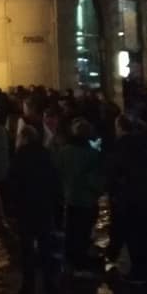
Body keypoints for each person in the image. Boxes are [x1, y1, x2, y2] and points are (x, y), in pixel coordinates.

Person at [9, 125, 60, 294]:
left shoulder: (20, 157)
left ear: (24, 138)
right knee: (45, 248)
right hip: (44, 208)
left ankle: (28, 289)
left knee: (27, 251)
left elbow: (13, 185)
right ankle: (49, 285)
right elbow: (54, 180)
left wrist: (13, 209)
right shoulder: (45, 154)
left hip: (26, 209)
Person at [106, 115, 147, 283]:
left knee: (131, 233)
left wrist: (112, 191)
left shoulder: (120, 147)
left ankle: (137, 270)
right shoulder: (146, 145)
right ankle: (146, 268)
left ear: (119, 128)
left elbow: (113, 173)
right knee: (143, 232)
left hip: (127, 196)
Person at [56, 118, 104, 275]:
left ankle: (70, 259)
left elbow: (58, 173)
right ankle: (80, 261)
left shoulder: (64, 151)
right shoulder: (92, 154)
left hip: (70, 197)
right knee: (83, 232)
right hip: (87, 200)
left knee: (71, 230)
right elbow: (96, 179)